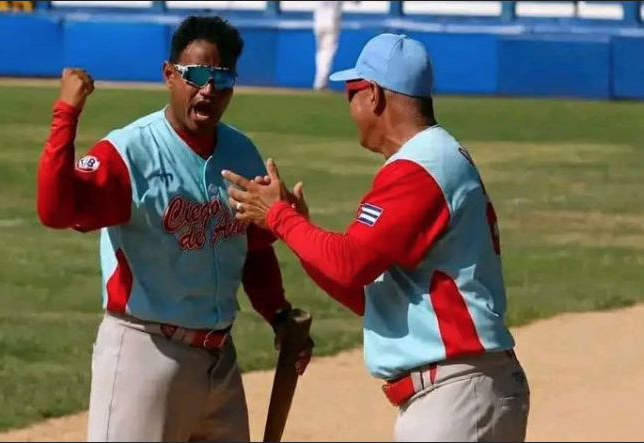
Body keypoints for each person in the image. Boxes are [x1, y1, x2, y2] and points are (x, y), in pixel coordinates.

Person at [222, 33, 530, 442]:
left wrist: (278, 216)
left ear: (374, 95)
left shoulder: (420, 167)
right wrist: (295, 228)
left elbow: (350, 263)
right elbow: (366, 295)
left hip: (457, 396)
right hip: (460, 391)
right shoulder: (435, 158)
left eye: (351, 93)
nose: (349, 106)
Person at [36, 15, 312, 442]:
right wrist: (66, 114)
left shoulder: (240, 152)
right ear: (169, 75)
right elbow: (56, 211)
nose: (208, 89)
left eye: (222, 78)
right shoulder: (129, 152)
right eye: (196, 75)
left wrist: (277, 313)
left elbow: (252, 248)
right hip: (145, 356)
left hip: (220, 361)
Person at [313, 1, 344, 91]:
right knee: (327, 53)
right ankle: (320, 83)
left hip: (318, 23)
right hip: (331, 23)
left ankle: (319, 82)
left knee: (321, 52)